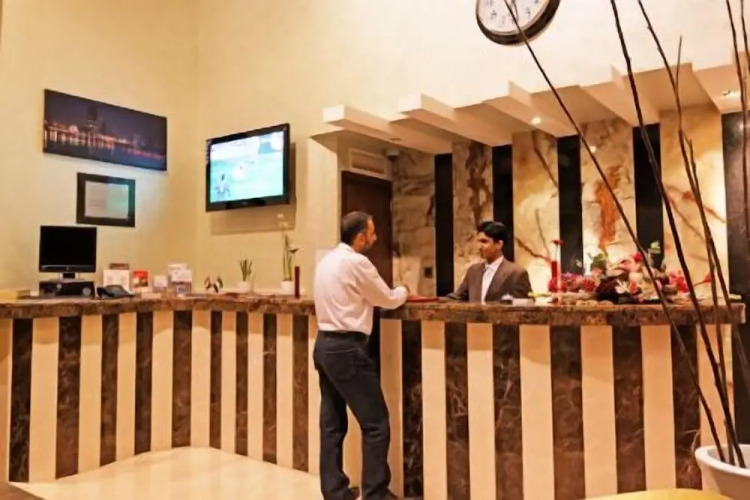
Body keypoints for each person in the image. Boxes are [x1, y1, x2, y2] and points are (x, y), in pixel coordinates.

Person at [313, 211, 408, 500]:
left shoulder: (326, 260)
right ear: (359, 237)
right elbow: (386, 299)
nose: (375, 238)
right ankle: (375, 494)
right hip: (347, 349)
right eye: (372, 232)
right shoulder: (357, 262)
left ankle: (334, 492)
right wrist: (404, 290)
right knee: (376, 424)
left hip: (324, 345)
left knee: (332, 424)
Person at [446, 220, 532, 303]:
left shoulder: (516, 274)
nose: (479, 246)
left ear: (499, 244)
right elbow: (457, 298)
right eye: (478, 241)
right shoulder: (473, 271)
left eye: (484, 241)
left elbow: (526, 306)